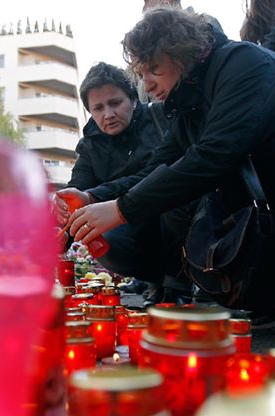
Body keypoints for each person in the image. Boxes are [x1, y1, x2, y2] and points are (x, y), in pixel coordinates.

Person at [67, 8, 275, 331]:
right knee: (207, 224)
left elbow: (216, 153)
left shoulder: (243, 63)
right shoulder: (187, 104)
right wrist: (93, 196)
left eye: (153, 71)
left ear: (178, 53)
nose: (146, 85)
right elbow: (156, 168)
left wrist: (122, 209)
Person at [54, 62, 185, 306]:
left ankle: (179, 284)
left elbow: (153, 174)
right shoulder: (90, 144)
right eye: (98, 108)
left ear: (133, 100)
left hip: (170, 215)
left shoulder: (161, 120)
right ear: (90, 112)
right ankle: (154, 279)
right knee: (101, 234)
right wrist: (63, 220)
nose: (108, 114)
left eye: (115, 103)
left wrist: (93, 197)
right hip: (127, 224)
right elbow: (79, 190)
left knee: (172, 198)